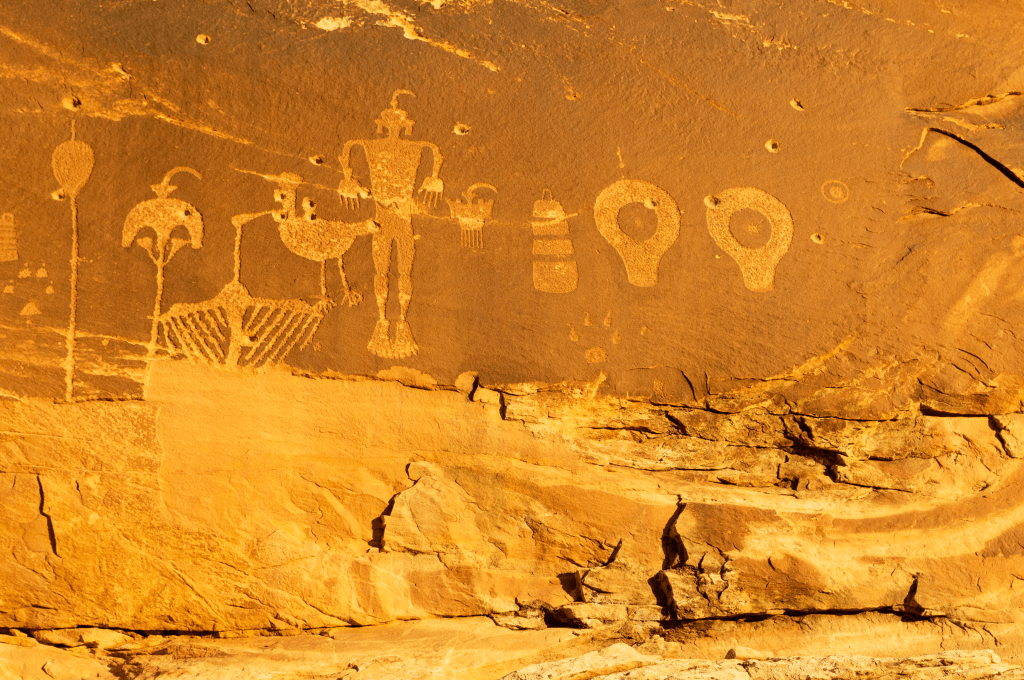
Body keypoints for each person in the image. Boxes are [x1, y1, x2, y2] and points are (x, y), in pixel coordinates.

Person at [338, 90, 443, 359]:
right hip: (384, 218)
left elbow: (434, 153)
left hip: (398, 217)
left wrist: (434, 177)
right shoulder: (375, 146)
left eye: (397, 124)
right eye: (391, 124)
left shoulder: (414, 148)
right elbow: (348, 149)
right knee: (383, 271)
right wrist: (348, 178)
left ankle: (399, 322)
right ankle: (384, 322)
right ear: (385, 125)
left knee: (400, 272)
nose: (394, 129)